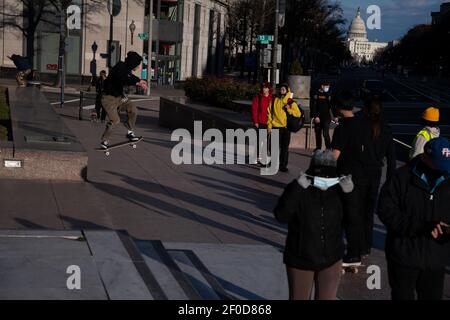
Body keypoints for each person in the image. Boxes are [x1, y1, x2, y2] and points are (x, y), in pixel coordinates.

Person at [274, 149, 354, 300]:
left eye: (328, 175)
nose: (325, 179)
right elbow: (281, 215)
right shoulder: (298, 187)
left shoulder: (339, 189)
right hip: (300, 258)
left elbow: (354, 222)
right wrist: (297, 189)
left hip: (331, 257)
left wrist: (350, 196)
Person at [378, 137, 450, 300]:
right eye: (439, 165)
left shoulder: (448, 177)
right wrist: (419, 226)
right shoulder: (402, 177)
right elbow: (386, 210)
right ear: (425, 157)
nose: (443, 170)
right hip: (404, 255)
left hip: (435, 258)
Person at [358, 97, 397, 257]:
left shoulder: (361, 126)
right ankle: (367, 245)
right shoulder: (386, 129)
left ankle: (358, 244)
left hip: (359, 173)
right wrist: (390, 181)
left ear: (366, 110)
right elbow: (392, 158)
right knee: (368, 212)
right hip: (376, 174)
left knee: (358, 211)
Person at [330, 90, 365, 267]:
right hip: (362, 176)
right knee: (355, 216)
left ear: (338, 107)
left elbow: (334, 155)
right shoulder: (362, 125)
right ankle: (356, 251)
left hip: (345, 177)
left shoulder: (342, 129)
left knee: (342, 216)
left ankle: (351, 255)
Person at [100, 51, 148, 149]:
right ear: (133, 63)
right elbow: (124, 78)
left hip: (120, 98)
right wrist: (138, 83)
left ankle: (130, 132)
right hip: (108, 99)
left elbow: (129, 76)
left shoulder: (125, 69)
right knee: (115, 120)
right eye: (137, 65)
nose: (138, 67)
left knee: (133, 109)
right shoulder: (119, 67)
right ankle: (105, 140)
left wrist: (139, 80)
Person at [267, 84, 301, 173]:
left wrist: (289, 109)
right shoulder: (274, 100)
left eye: (283, 89)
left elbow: (298, 114)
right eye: (281, 89)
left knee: (284, 148)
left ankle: (283, 165)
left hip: (286, 128)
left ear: (287, 90)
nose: (282, 90)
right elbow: (269, 114)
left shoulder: (290, 101)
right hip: (275, 126)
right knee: (273, 147)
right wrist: (269, 126)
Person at [311, 82, 337, 150]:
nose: (327, 88)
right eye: (326, 86)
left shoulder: (328, 95)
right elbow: (313, 106)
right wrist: (315, 116)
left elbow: (332, 106)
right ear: (322, 86)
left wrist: (335, 116)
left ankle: (328, 149)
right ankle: (318, 148)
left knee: (325, 133)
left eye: (328, 86)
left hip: (326, 117)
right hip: (318, 117)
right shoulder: (316, 94)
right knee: (318, 133)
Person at [251, 82, 272, 165]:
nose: (264, 89)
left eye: (266, 88)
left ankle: (264, 157)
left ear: (269, 89)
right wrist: (255, 121)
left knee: (267, 141)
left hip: (269, 123)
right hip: (260, 122)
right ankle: (256, 157)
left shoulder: (272, 98)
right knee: (259, 141)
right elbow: (254, 110)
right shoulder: (258, 97)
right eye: (263, 88)